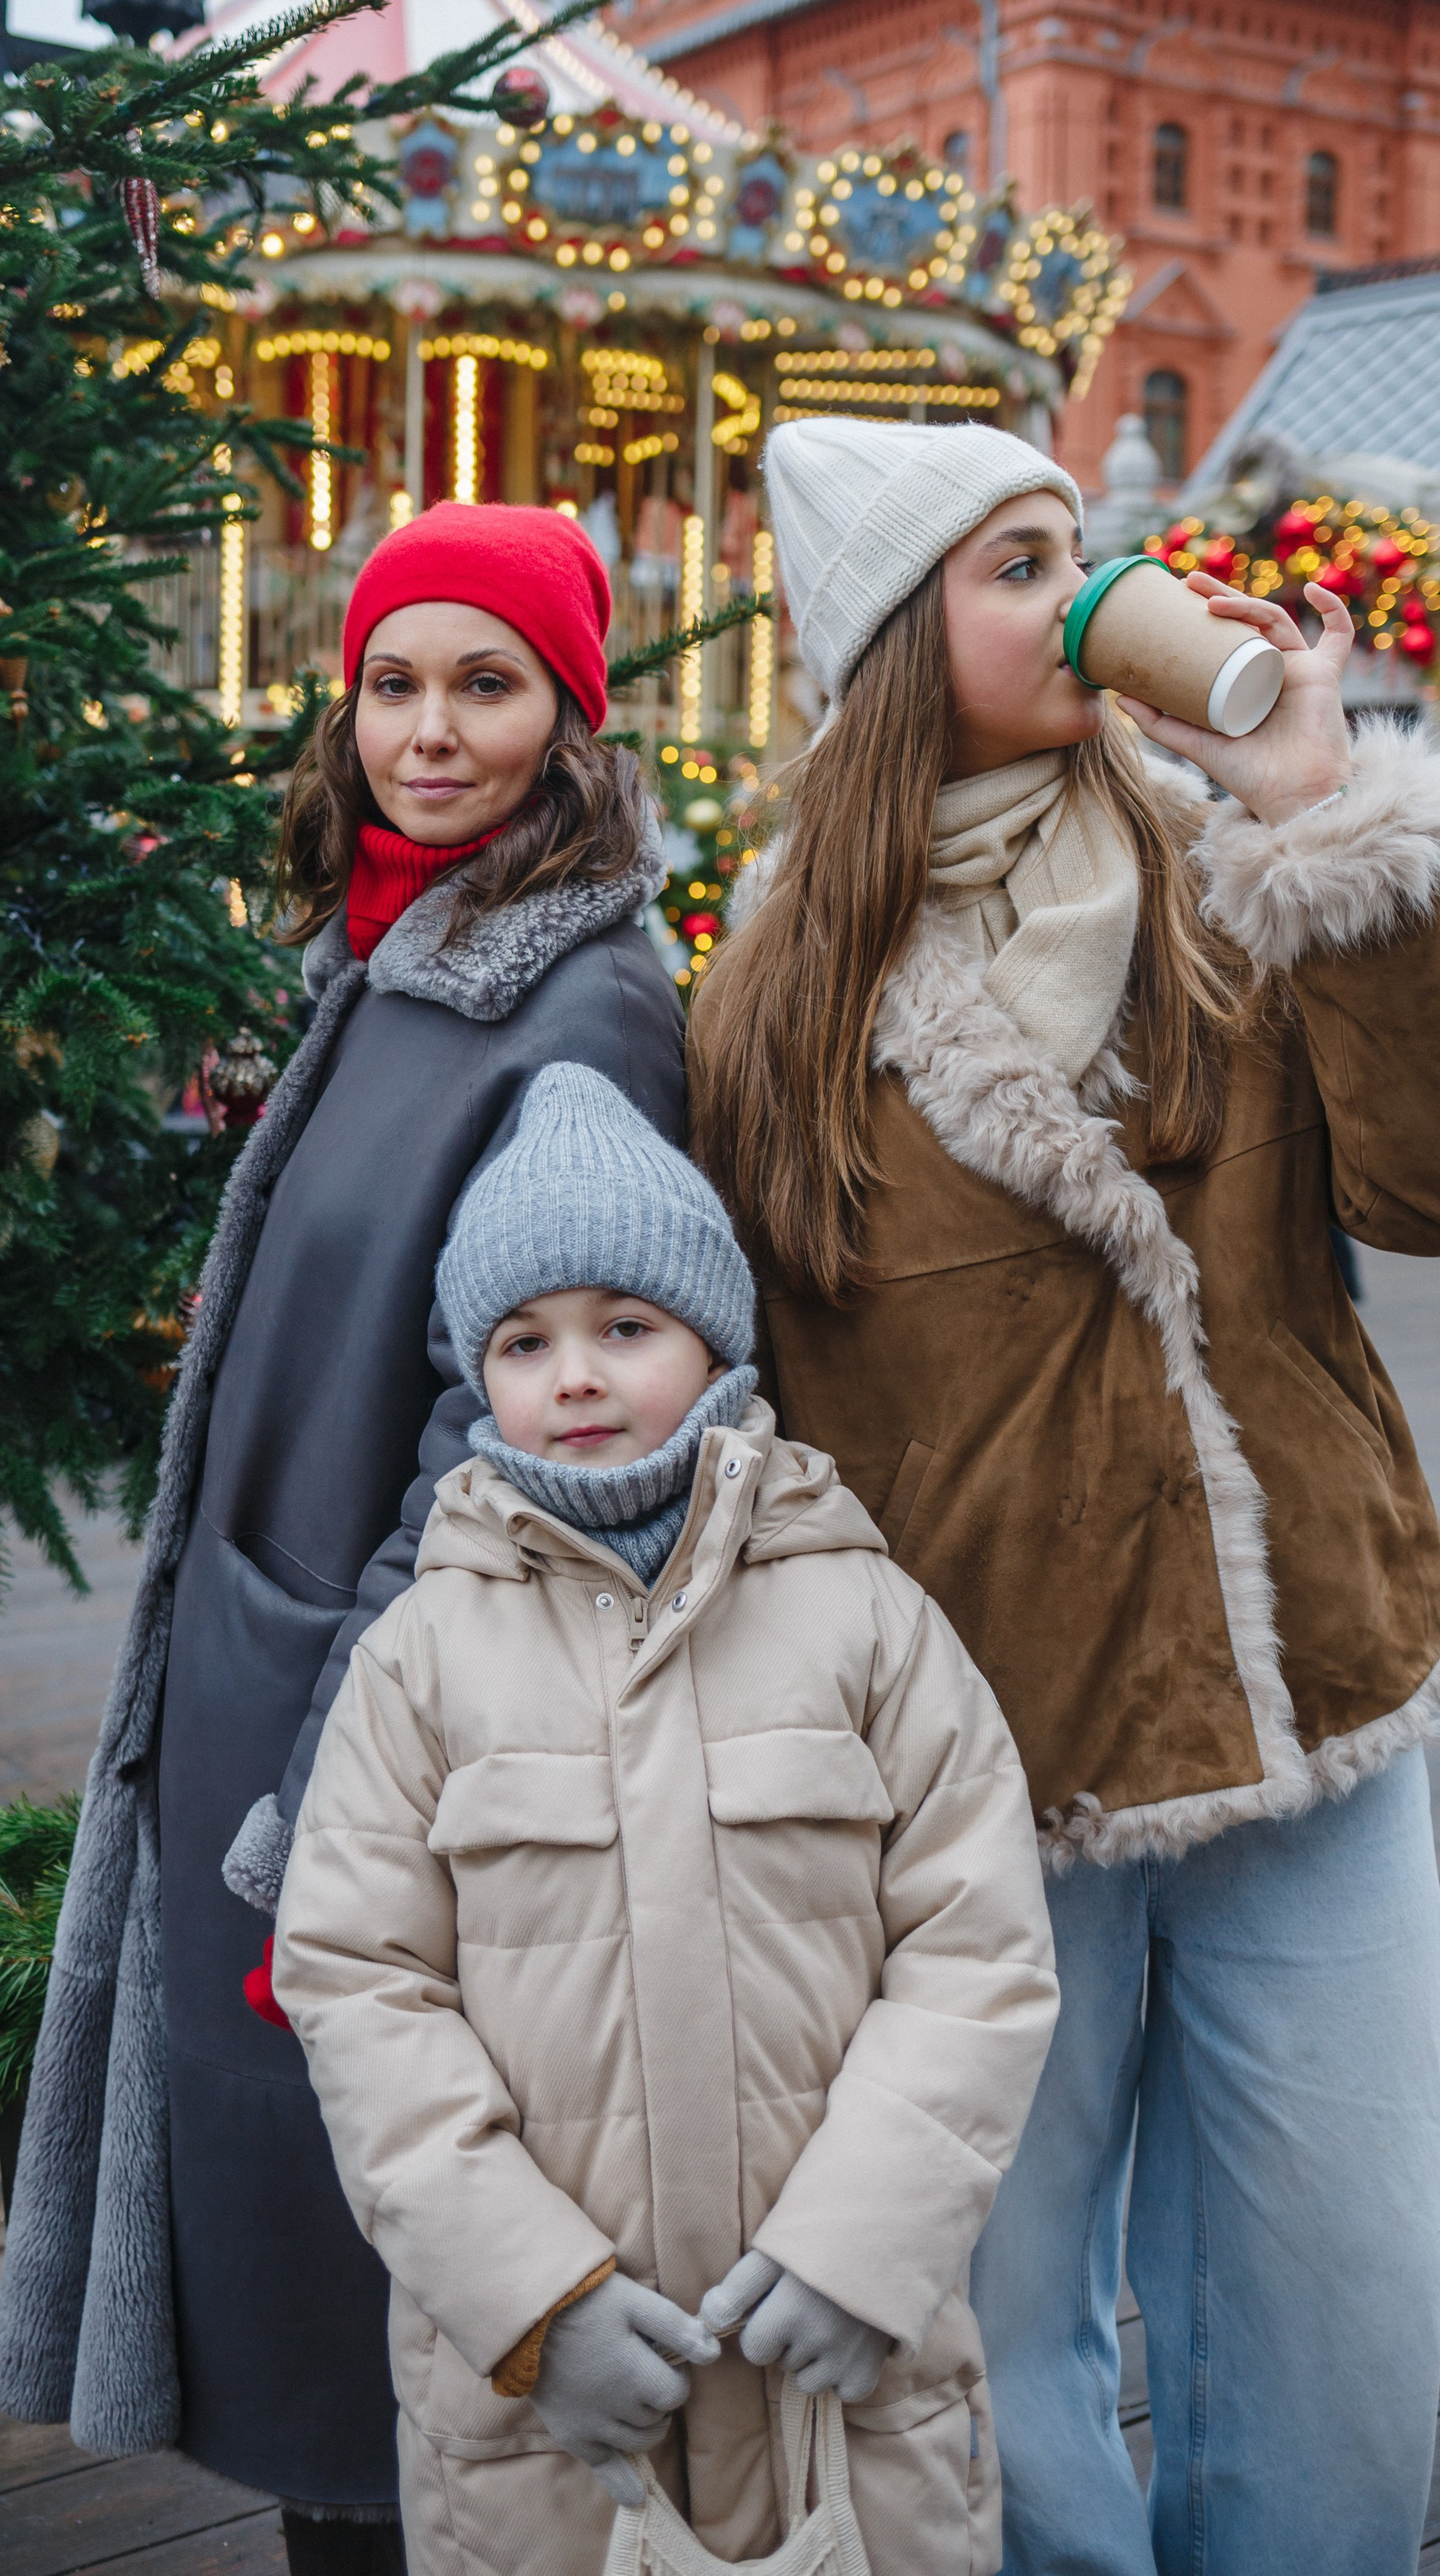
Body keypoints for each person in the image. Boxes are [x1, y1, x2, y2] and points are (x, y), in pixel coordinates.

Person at [688, 419, 1440, 2576]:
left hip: (1314, 1701)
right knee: (994, 2342)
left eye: (1082, 550)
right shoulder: (775, 998)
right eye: (1021, 566)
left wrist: (1327, 814)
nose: (1086, 597)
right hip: (990, 1768)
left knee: (1340, 2327)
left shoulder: (1230, 870)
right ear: (902, 642)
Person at [0, 509, 687, 2574]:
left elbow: (524, 1431)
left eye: (488, 685)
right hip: (267, 1707)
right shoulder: (397, 956)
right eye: (396, 682)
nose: (431, 730)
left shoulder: (580, 1010)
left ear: (569, 718)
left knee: (400, 2328)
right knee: (324, 2332)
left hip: (375, 1759)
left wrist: (346, 1781)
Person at [274, 1062, 1061, 2576]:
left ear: (713, 1341)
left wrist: (863, 2245)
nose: (574, 1377)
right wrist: (530, 2300)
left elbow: (979, 1949)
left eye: (624, 1328)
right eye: (524, 1341)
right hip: (557, 2427)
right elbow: (360, 1987)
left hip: (838, 2379)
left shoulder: (865, 1617)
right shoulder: (422, 1660)